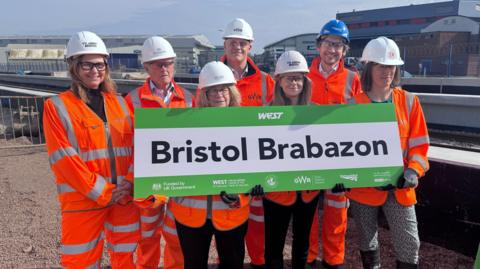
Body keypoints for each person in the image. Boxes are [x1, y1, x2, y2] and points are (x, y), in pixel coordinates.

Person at [43, 31, 139, 268]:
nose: (95, 70)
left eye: (100, 64)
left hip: (123, 198)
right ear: (73, 66)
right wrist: (104, 191)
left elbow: (139, 147)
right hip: (83, 201)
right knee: (81, 261)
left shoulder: (119, 103)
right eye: (87, 64)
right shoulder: (57, 107)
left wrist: (130, 180)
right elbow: (64, 159)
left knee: (125, 256)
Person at [346, 37, 429, 269]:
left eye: (392, 66)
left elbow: (420, 145)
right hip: (364, 190)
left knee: (410, 244)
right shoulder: (353, 106)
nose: (388, 71)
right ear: (369, 68)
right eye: (381, 66)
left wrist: (413, 171)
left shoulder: (410, 102)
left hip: (400, 187)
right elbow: (345, 151)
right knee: (367, 241)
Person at [171, 61, 262, 269]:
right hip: (190, 214)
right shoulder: (186, 124)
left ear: (232, 92)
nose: (219, 95)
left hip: (232, 213)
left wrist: (243, 193)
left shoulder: (246, 125)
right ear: (204, 94)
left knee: (232, 264)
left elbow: (254, 168)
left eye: (223, 89)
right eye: (213, 90)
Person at [125, 35, 192, 269]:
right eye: (158, 64)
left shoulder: (189, 99)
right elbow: (126, 145)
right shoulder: (131, 101)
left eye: (169, 63)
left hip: (179, 179)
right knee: (148, 235)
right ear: (146, 67)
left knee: (177, 235)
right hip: (148, 181)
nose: (165, 69)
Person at [307, 19, 363, 269]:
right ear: (319, 45)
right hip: (305, 157)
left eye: (339, 45)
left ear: (344, 50)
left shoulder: (353, 79)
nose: (333, 50)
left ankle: (333, 260)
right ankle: (306, 258)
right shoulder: (302, 77)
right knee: (306, 212)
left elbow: (361, 120)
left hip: (339, 159)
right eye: (329, 43)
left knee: (337, 211)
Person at [220, 17, 275, 269]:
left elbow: (278, 121)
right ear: (225, 44)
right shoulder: (212, 75)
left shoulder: (265, 81)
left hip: (257, 161)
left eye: (242, 43)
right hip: (224, 159)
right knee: (227, 217)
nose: (237, 48)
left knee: (258, 219)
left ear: (250, 46)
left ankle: (259, 262)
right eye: (233, 42)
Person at [262, 51, 320, 269]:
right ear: (279, 80)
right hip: (276, 192)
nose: (294, 82)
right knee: (274, 244)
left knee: (302, 241)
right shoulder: (266, 113)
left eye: (298, 78)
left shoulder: (316, 112)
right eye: (289, 77)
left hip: (308, 192)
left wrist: (334, 176)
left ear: (305, 80)